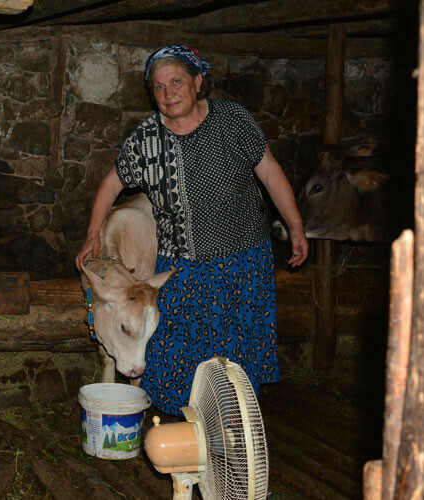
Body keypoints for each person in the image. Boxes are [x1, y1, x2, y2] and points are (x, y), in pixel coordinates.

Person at [75, 44, 308, 415]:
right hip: (180, 268)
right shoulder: (145, 140)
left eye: (176, 81)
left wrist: (295, 224)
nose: (168, 93)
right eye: (159, 87)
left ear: (198, 82)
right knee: (173, 356)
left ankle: (229, 430)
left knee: (236, 356)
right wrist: (92, 235)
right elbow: (111, 184)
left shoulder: (232, 121)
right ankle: (184, 434)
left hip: (241, 263)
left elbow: (270, 172)